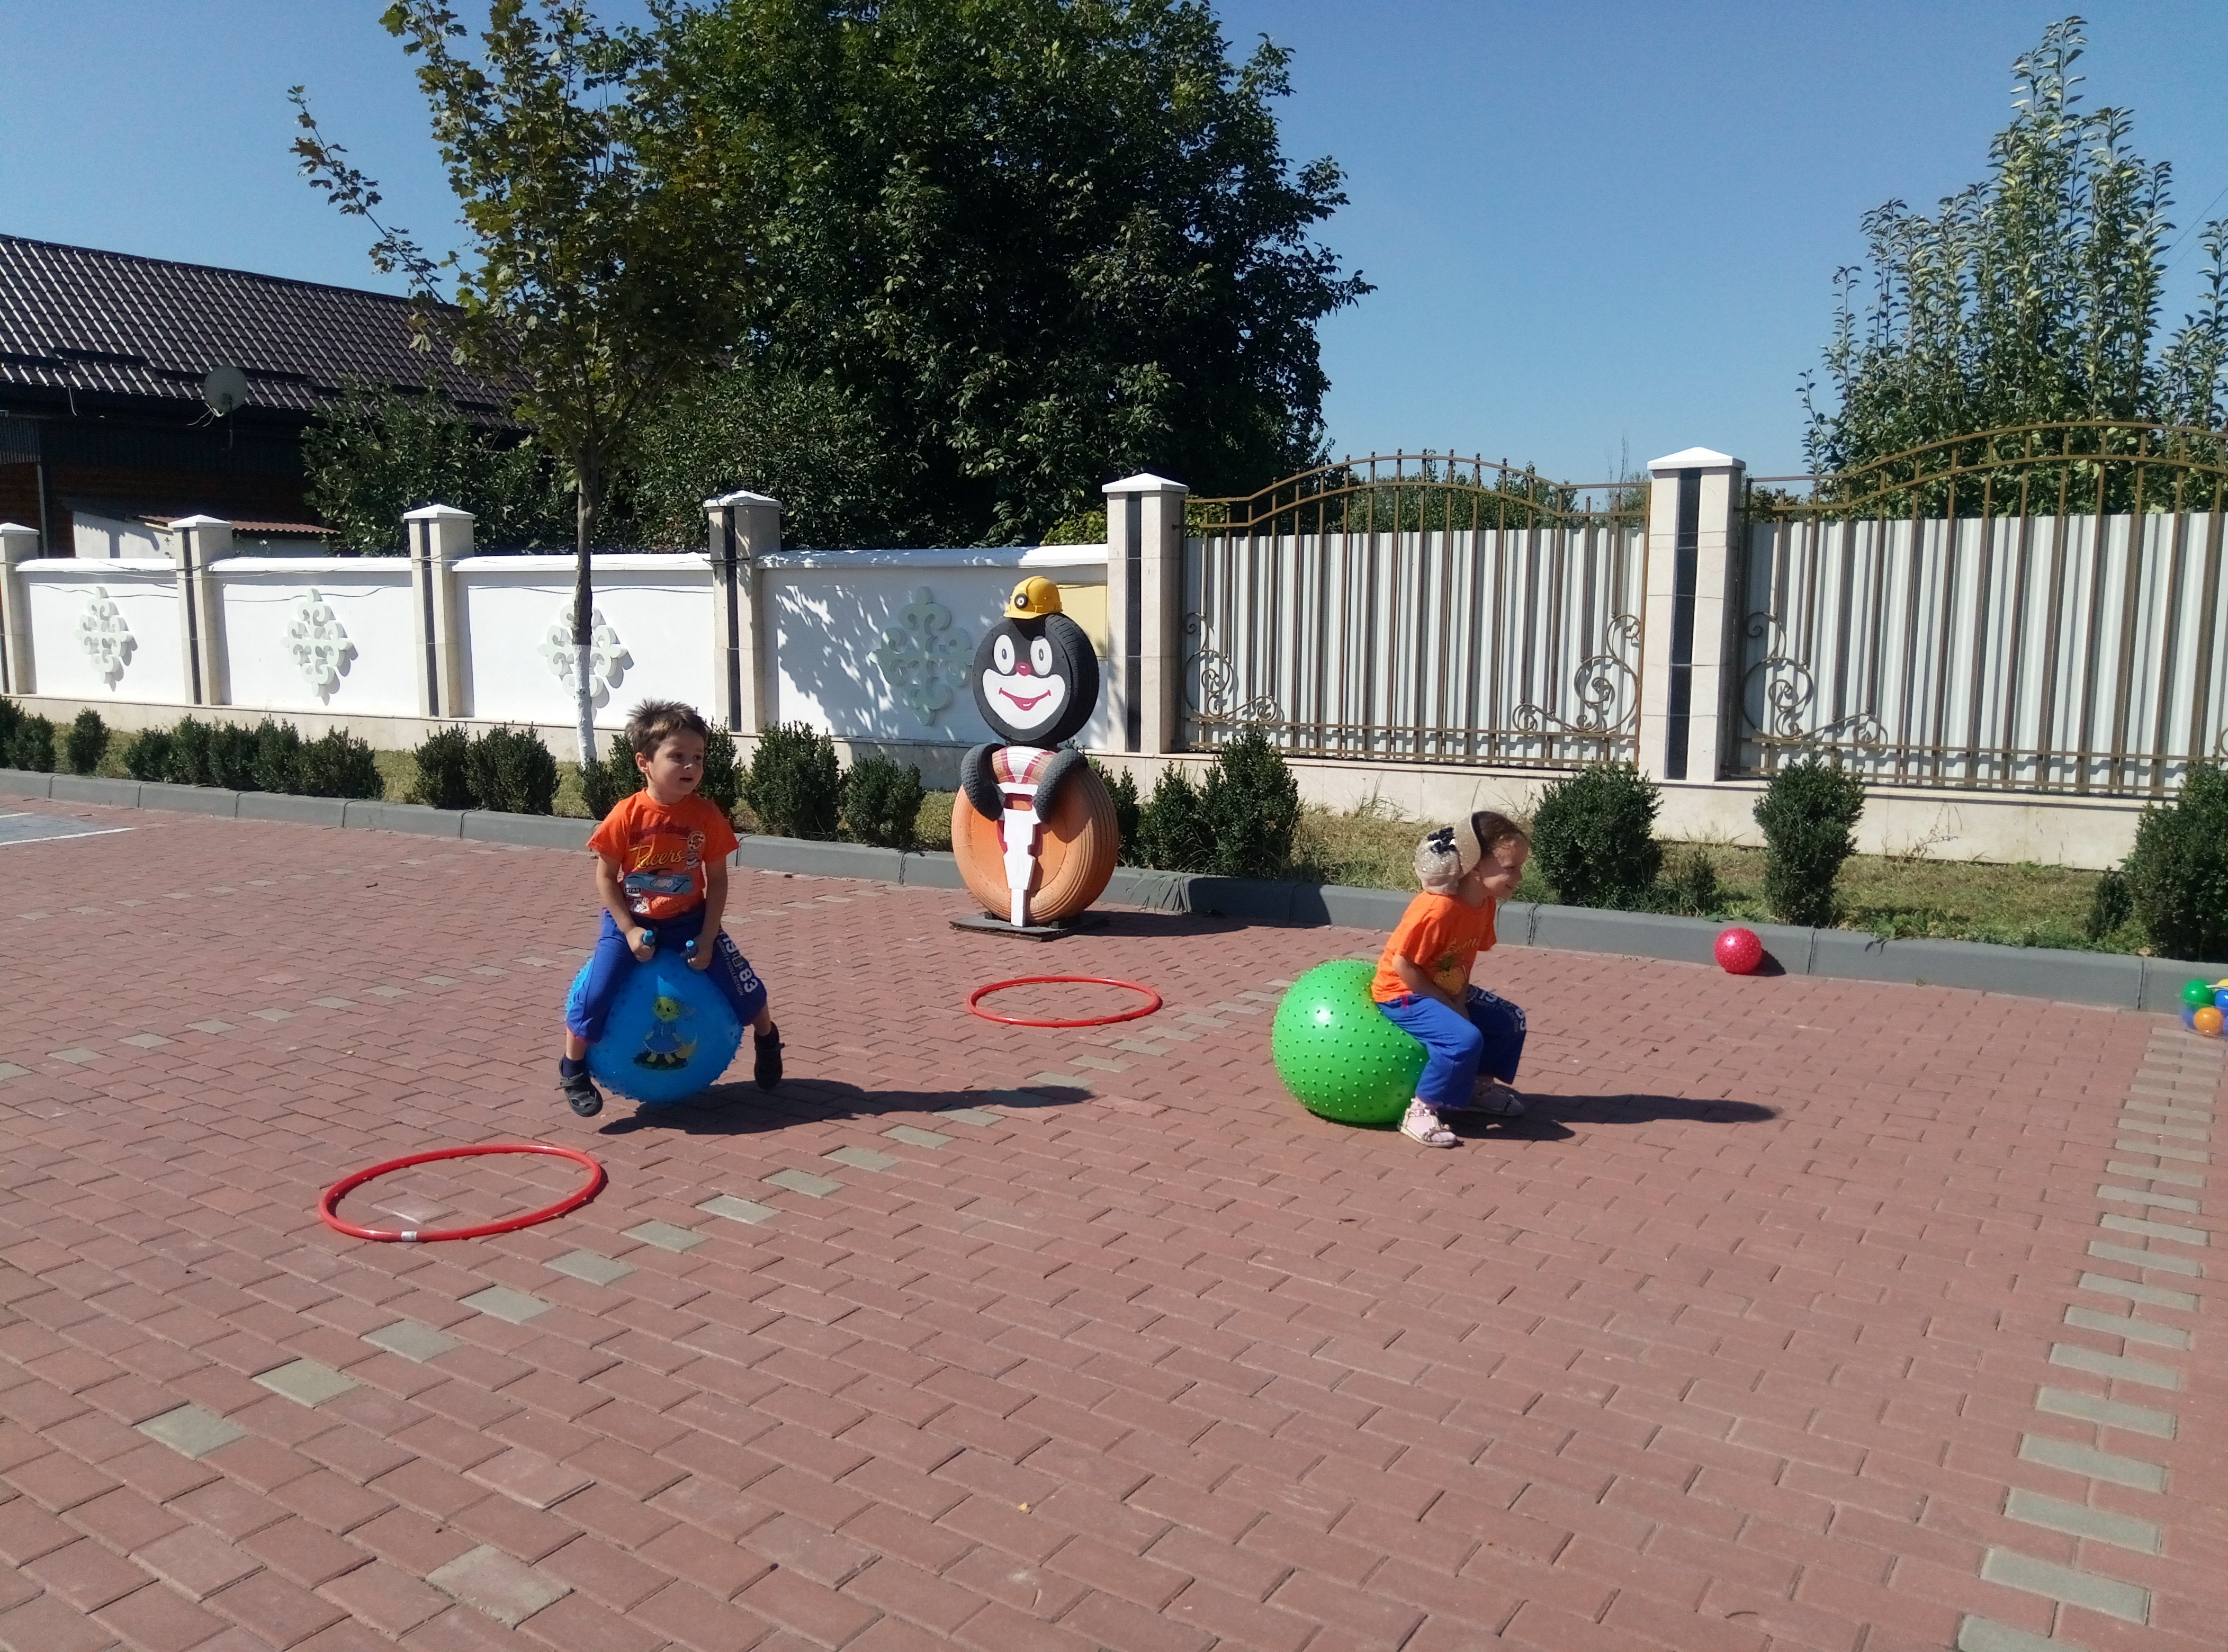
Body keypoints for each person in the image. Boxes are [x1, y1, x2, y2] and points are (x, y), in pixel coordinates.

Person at [559, 700, 781, 1117]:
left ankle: (768, 1039)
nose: (691, 766)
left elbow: (718, 880)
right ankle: (573, 1069)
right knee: (596, 992)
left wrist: (709, 937)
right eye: (678, 756)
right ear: (644, 762)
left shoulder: (706, 816)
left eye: (698, 757)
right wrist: (628, 930)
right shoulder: (626, 816)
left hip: (689, 920)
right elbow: (605, 878)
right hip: (630, 920)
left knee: (744, 983)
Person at [1371, 811, 1531, 1148]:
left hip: (1443, 989)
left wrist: (1460, 999)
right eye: (1511, 867)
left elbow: (1463, 959)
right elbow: (1404, 965)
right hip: (1402, 993)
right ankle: (1420, 1110)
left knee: (1510, 1020)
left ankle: (1476, 1089)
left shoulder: (1485, 903)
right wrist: (1451, 1006)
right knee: (1463, 1039)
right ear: (1475, 867)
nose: (1519, 876)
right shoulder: (1437, 909)